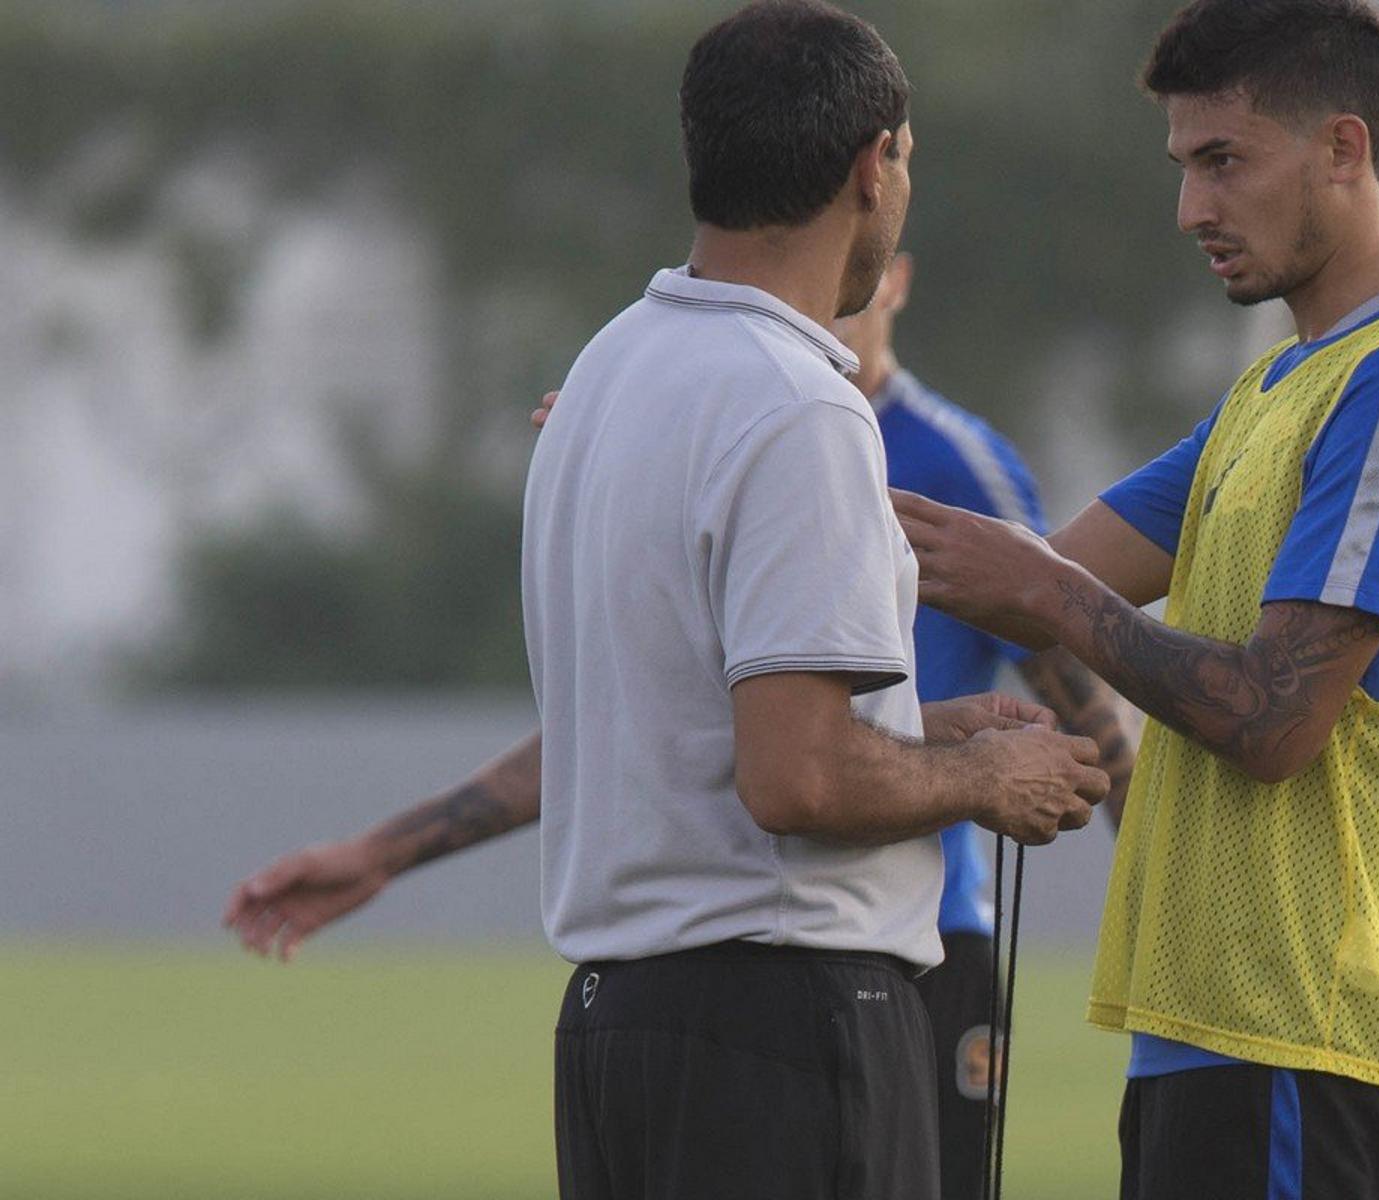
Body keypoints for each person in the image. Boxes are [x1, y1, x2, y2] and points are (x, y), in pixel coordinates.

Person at [230, 4, 1113, 1197]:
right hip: (789, 1030)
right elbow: (796, 780)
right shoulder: (802, 409)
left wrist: (939, 728)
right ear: (876, 164)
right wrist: (987, 780)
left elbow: (677, 725)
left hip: (617, 1032)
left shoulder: (601, 379)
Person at [892, 2, 1379, 1197]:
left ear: (1344, 150)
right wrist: (699, 457)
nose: (1191, 210)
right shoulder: (1275, 393)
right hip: (1214, 1039)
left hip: (1310, 1041)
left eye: (1224, 162)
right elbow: (1018, 574)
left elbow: (1274, 721)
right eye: (1185, 168)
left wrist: (1054, 596)